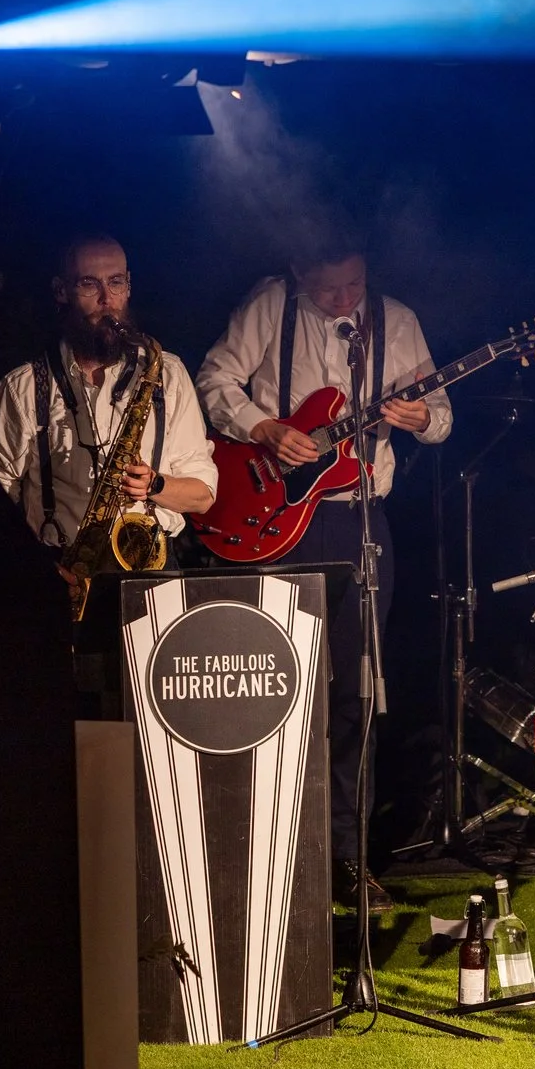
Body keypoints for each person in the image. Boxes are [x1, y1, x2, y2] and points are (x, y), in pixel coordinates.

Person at [196, 235, 454, 902]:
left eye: (354, 287)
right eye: (329, 289)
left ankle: (347, 855)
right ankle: (268, 855)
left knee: (357, 695)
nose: (344, 302)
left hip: (358, 520)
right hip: (275, 517)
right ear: (297, 271)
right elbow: (215, 377)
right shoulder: (269, 306)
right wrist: (262, 428)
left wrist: (425, 418)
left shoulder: (395, 320)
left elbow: (443, 418)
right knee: (277, 689)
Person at [0, 233, 217, 571]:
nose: (107, 300)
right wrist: (33, 567)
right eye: (89, 285)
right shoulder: (21, 388)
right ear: (61, 291)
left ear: (129, 286)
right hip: (61, 570)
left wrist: (153, 484)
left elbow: (202, 495)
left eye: (116, 282)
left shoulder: (166, 372)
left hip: (150, 568)